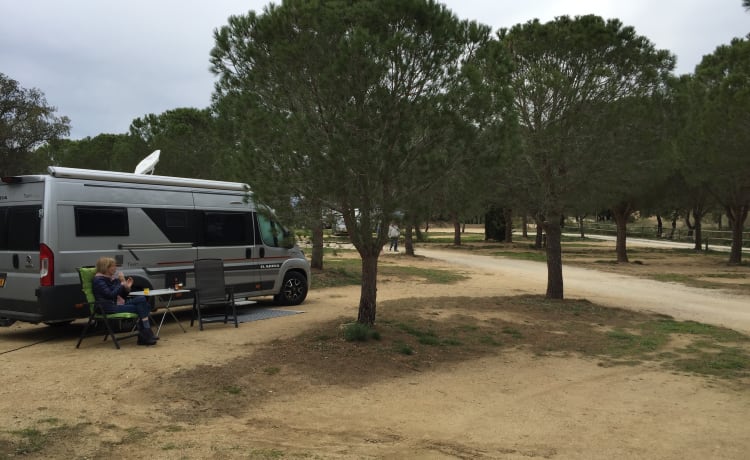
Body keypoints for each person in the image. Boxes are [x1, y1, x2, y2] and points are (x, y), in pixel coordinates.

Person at [92, 256, 157, 346]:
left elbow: (123, 295)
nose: (115, 268)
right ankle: (146, 334)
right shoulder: (98, 280)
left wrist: (127, 287)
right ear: (105, 267)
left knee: (141, 299)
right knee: (143, 307)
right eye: (113, 266)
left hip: (118, 303)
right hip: (108, 307)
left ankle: (145, 335)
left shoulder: (112, 278)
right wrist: (122, 283)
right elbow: (111, 295)